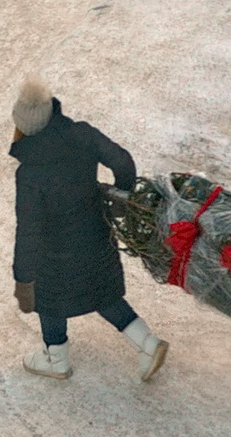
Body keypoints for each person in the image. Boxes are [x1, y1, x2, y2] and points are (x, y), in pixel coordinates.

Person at [9, 77, 168, 382]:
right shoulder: (82, 134)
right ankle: (147, 344)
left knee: (48, 300)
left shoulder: (29, 173)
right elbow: (122, 161)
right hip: (96, 235)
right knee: (103, 294)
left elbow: (28, 231)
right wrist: (122, 195)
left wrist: (23, 280)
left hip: (54, 253)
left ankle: (56, 359)